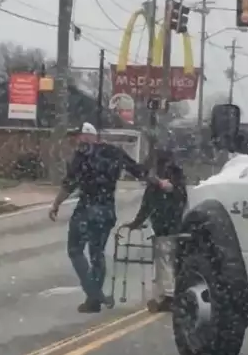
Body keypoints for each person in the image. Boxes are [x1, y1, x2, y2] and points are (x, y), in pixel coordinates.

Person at [48, 122, 169, 313]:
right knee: (97, 254)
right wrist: (158, 181)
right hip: (106, 211)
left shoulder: (82, 155)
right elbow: (137, 171)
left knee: (75, 250)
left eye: (78, 136)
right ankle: (93, 301)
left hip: (86, 209)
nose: (77, 141)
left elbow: (69, 184)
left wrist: (56, 204)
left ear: (88, 136)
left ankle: (94, 293)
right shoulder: (114, 152)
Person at [125, 149, 188, 312]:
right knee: (165, 261)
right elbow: (148, 205)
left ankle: (168, 295)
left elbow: (152, 202)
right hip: (170, 226)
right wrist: (136, 223)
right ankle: (164, 295)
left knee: (164, 260)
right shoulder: (176, 180)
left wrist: (136, 223)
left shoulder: (169, 181)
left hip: (167, 226)